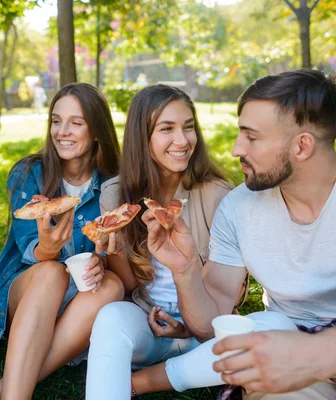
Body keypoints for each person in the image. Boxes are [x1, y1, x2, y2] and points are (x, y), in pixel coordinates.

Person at [138, 69, 336, 399]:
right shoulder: (238, 209)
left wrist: (315, 356)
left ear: (302, 146)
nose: (235, 149)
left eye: (251, 137)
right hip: (292, 359)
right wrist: (185, 269)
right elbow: (211, 323)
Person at [85, 84, 237, 399]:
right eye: (166, 129)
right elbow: (128, 286)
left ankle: (143, 381)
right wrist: (111, 252)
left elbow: (219, 311)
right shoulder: (115, 195)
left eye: (188, 127)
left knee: (253, 339)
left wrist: (187, 329)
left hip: (204, 333)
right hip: (147, 325)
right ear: (143, 138)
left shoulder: (219, 195)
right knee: (111, 318)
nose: (182, 141)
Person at [0, 83, 124, 399]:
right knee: (51, 271)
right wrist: (48, 247)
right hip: (26, 296)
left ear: (97, 130)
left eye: (76, 122)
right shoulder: (30, 173)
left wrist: (101, 262)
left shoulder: (114, 185)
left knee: (112, 285)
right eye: (56, 121)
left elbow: (118, 254)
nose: (62, 131)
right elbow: (31, 250)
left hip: (77, 305)